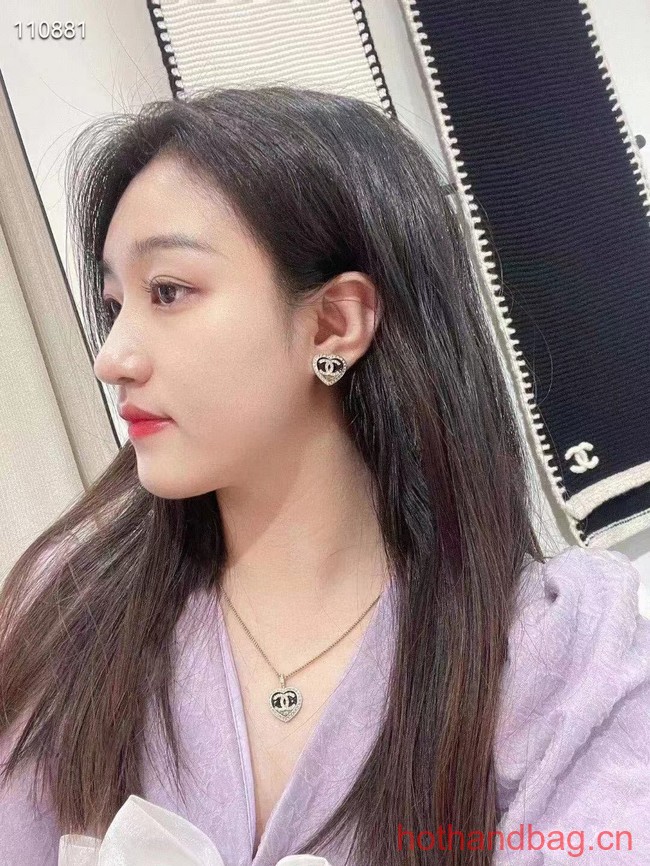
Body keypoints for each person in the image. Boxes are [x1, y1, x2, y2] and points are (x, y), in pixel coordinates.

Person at [0, 86, 648, 866]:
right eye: (116, 303)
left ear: (336, 324)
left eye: (168, 292)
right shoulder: (70, 611)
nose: (113, 358)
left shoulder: (562, 650)